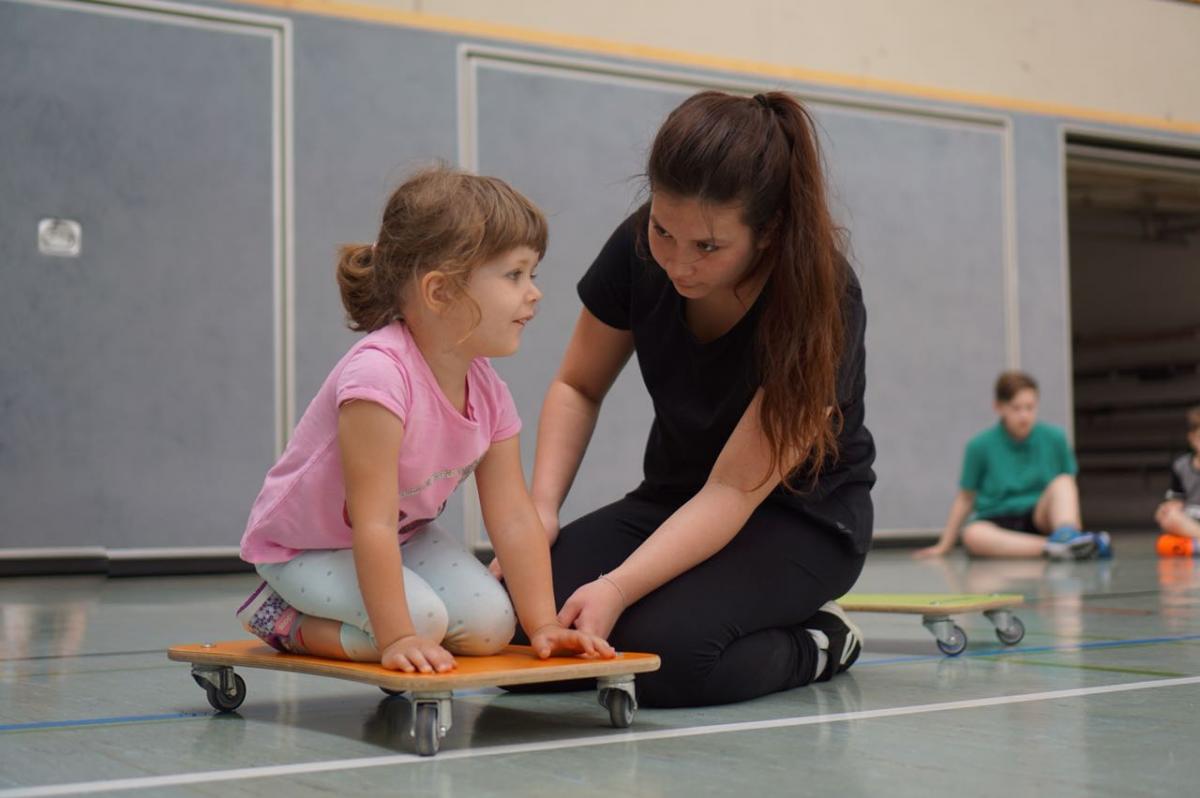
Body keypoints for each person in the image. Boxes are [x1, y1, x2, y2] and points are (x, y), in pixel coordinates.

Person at [498, 90, 876, 708]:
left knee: (664, 657)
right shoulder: (638, 247)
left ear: (768, 232)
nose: (677, 262)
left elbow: (732, 492)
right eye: (663, 230)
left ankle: (821, 639)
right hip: (671, 501)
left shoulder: (824, 300)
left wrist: (617, 587)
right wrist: (539, 512)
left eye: (708, 247)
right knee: (509, 626)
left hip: (798, 521)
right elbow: (578, 386)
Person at [236, 166, 614, 673]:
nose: (534, 292)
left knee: (492, 627)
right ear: (439, 291)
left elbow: (514, 517)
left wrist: (543, 624)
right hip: (307, 549)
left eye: (533, 274)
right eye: (514, 275)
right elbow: (371, 521)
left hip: (401, 537)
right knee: (420, 624)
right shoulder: (378, 376)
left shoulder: (488, 389)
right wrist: (396, 637)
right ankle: (280, 618)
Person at [915, 371, 1110, 561]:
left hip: (1038, 515)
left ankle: (1068, 537)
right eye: (1016, 408)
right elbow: (965, 498)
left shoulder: (1055, 438)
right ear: (999, 407)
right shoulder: (979, 446)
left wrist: (1073, 526)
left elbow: (1068, 492)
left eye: (1030, 407)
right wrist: (944, 545)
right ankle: (1060, 547)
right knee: (972, 534)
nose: (1024, 416)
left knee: (1063, 482)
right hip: (997, 519)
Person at [1155, 405, 1200, 556]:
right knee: (1167, 516)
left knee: (1168, 544)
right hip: (1191, 520)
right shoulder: (1181, 466)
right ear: (1192, 438)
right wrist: (1167, 508)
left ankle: (1193, 544)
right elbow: (1176, 500)